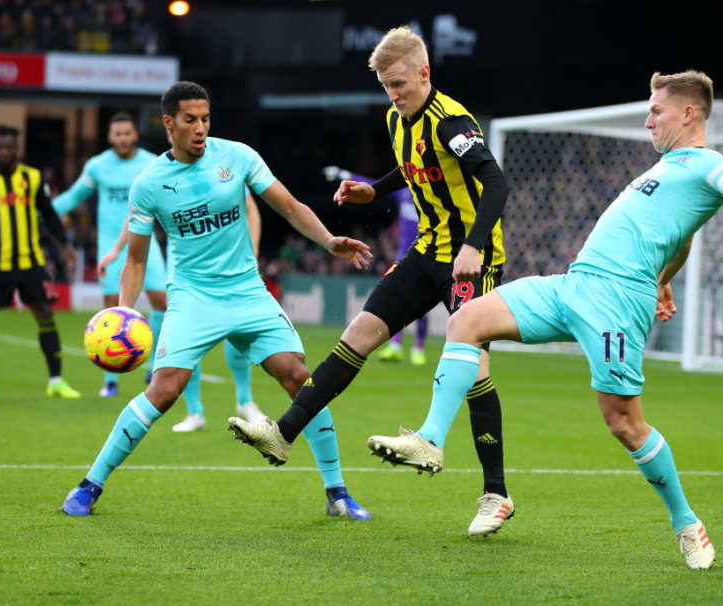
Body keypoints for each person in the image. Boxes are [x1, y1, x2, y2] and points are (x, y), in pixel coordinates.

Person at [367, 70, 723, 569]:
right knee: (467, 320)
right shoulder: (668, 167)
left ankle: (686, 524)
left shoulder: (709, 165)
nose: (648, 118)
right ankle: (431, 441)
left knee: (624, 423)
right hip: (574, 285)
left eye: (657, 110)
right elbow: (682, 235)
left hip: (615, 303)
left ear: (688, 113)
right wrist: (665, 277)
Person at [229, 26, 515, 537]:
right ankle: (282, 434)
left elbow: (496, 182)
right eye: (386, 86)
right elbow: (416, 168)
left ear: (425, 73)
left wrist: (472, 245)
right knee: (358, 334)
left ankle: (495, 495)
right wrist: (373, 189)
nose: (394, 94)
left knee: (472, 368)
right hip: (427, 252)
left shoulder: (453, 121)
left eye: (401, 84)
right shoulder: (395, 117)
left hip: (472, 260)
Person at [61, 81, 374, 520]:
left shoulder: (238, 156)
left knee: (301, 377)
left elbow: (288, 205)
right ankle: (89, 485)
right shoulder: (149, 184)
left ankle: (337, 493)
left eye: (205, 119)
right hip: (193, 297)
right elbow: (136, 259)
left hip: (248, 291)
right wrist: (124, 313)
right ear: (169, 123)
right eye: (190, 120)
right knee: (164, 389)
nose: (200, 128)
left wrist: (327, 240)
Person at [97, 195, 269, 432]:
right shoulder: (161, 178)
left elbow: (251, 209)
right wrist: (117, 250)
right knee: (185, 343)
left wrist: (253, 255)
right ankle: (195, 412)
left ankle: (245, 400)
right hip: (184, 275)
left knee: (239, 331)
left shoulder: (225, 165)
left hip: (229, 267)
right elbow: (136, 216)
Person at [53, 112, 170, 398]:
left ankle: (152, 364)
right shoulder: (97, 167)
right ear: (110, 137)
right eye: (117, 134)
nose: (122, 139)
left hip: (146, 243)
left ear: (135, 135)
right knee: (111, 310)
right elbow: (73, 197)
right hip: (110, 245)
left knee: (163, 304)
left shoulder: (151, 163)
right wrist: (41, 213)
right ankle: (110, 380)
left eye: (127, 133)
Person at [0, 125, 80, 398]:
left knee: (45, 316)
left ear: (18, 148)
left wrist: (65, 246)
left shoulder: (33, 178)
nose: (5, 151)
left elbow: (49, 215)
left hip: (30, 261)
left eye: (10, 146)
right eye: (0, 146)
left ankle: (56, 381)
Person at [323, 165, 429, 366]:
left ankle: (418, 348)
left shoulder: (430, 194)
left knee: (422, 305)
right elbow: (373, 184)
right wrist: (345, 174)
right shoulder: (404, 192)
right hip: (403, 255)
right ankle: (396, 346)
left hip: (427, 253)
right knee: (398, 300)